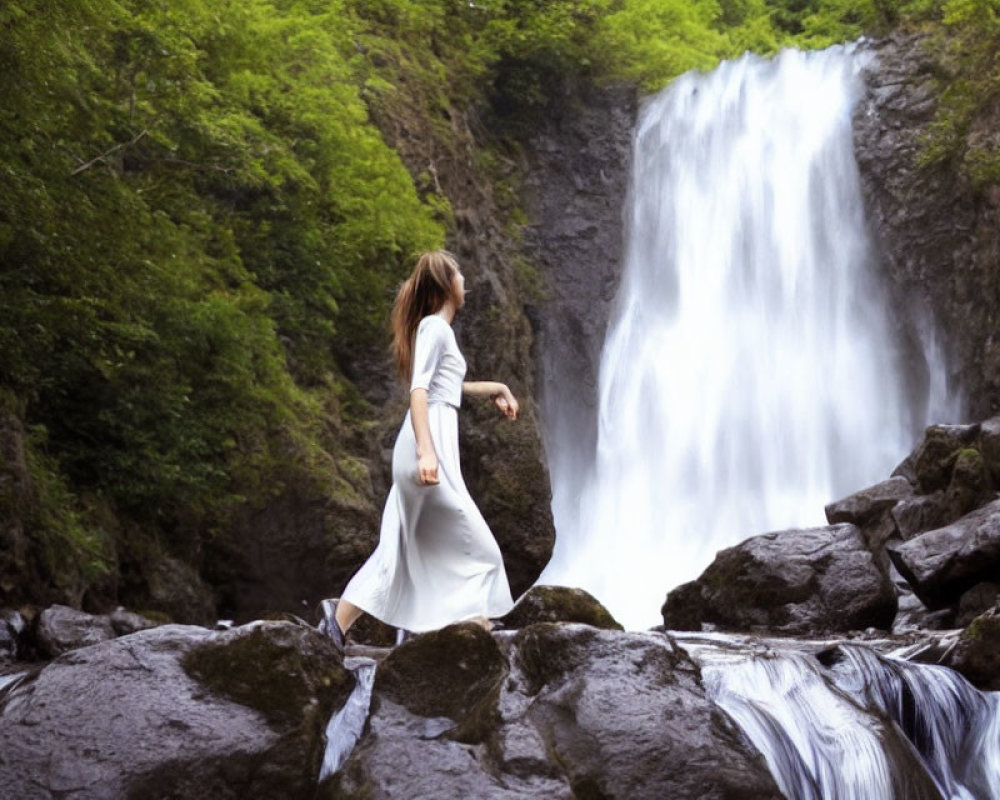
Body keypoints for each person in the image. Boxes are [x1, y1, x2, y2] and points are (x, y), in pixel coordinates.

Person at [319, 250, 519, 651]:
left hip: (430, 441)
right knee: (481, 549)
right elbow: (420, 389)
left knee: (401, 544)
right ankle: (469, 628)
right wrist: (428, 453)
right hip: (426, 446)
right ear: (447, 285)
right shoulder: (434, 328)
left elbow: (449, 387)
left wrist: (496, 388)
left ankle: (336, 625)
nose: (466, 281)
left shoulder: (438, 330)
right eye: (460, 275)